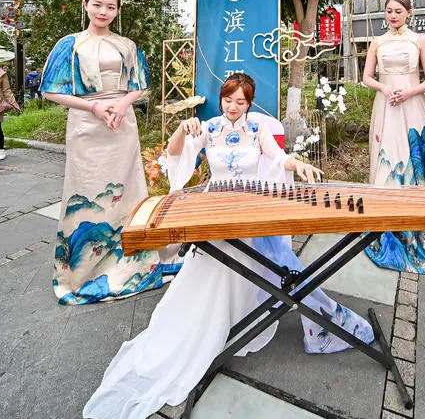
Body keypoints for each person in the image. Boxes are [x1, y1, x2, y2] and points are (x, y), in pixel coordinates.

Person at [83, 73, 374, 419]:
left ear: (249, 103)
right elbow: (174, 154)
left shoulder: (257, 128)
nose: (233, 107)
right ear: (221, 99)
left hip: (249, 205)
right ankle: (210, 330)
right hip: (216, 206)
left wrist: (297, 163)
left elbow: (278, 158)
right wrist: (181, 129)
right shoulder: (208, 127)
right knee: (214, 271)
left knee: (253, 266)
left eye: (240, 102)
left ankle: (242, 322)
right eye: (228, 100)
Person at [40, 0, 180, 305]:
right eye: (98, 5)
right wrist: (93, 107)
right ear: (86, 5)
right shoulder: (70, 44)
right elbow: (49, 91)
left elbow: (140, 84)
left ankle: (136, 264)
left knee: (129, 190)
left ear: (118, 11)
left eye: (111, 7)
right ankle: (84, 271)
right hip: (87, 124)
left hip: (121, 123)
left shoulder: (126, 45)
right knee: (87, 190)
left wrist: (122, 104)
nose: (104, 11)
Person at [360, 0, 425, 273]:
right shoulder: (377, 41)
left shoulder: (419, 40)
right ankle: (384, 222)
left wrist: (408, 92)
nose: (393, 15)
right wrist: (384, 87)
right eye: (389, 11)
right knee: (386, 155)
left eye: (398, 11)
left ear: (409, 12)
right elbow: (366, 76)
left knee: (412, 155)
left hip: (412, 103)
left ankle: (416, 221)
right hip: (385, 104)